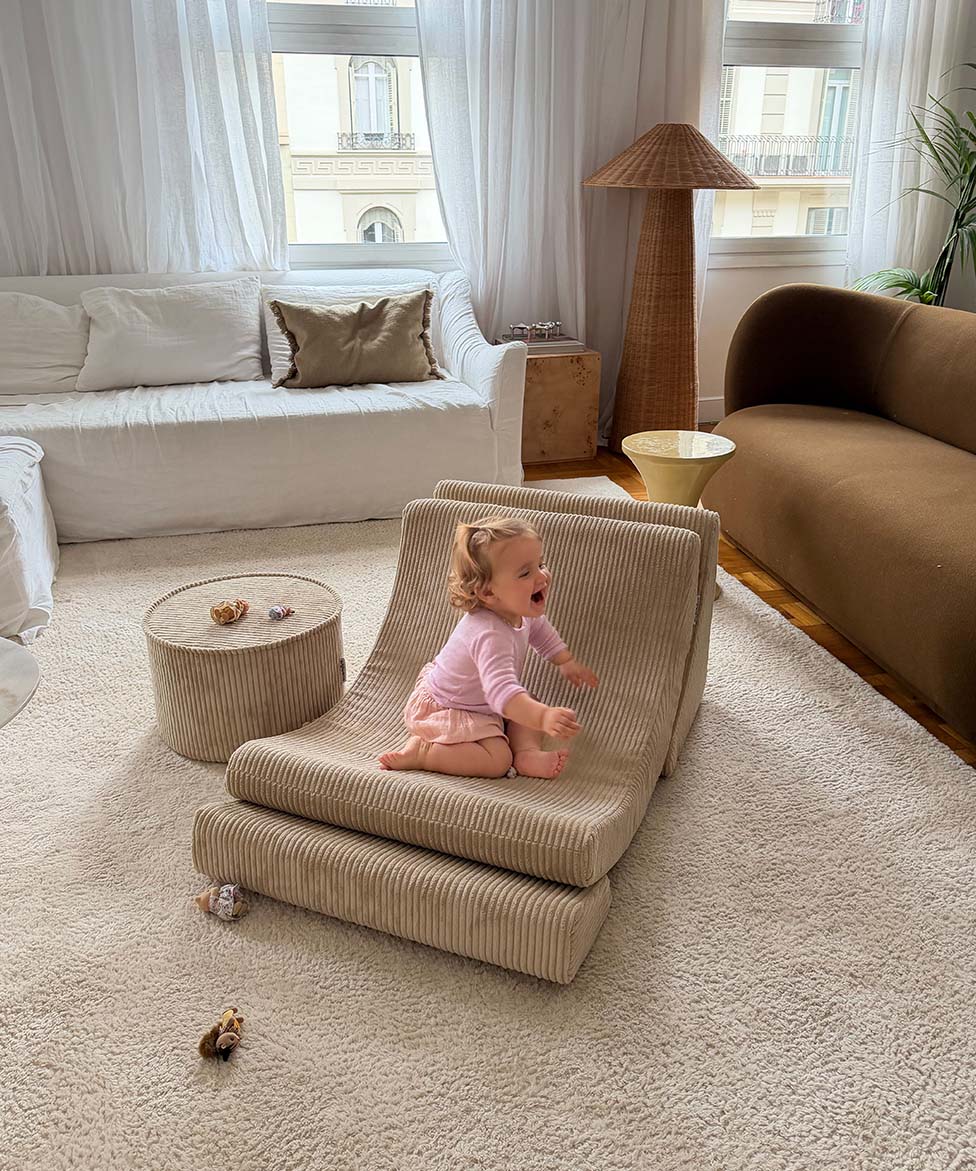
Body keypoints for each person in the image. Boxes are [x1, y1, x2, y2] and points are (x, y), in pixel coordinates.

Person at [379, 516, 598, 779]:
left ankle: (526, 753)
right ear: (489, 593)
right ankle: (425, 751)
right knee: (497, 759)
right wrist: (543, 718)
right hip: (451, 707)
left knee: (528, 703)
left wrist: (565, 661)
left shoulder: (520, 609)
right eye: (525, 573)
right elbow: (501, 693)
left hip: (487, 702)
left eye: (541, 564)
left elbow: (541, 632)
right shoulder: (490, 635)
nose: (542, 576)